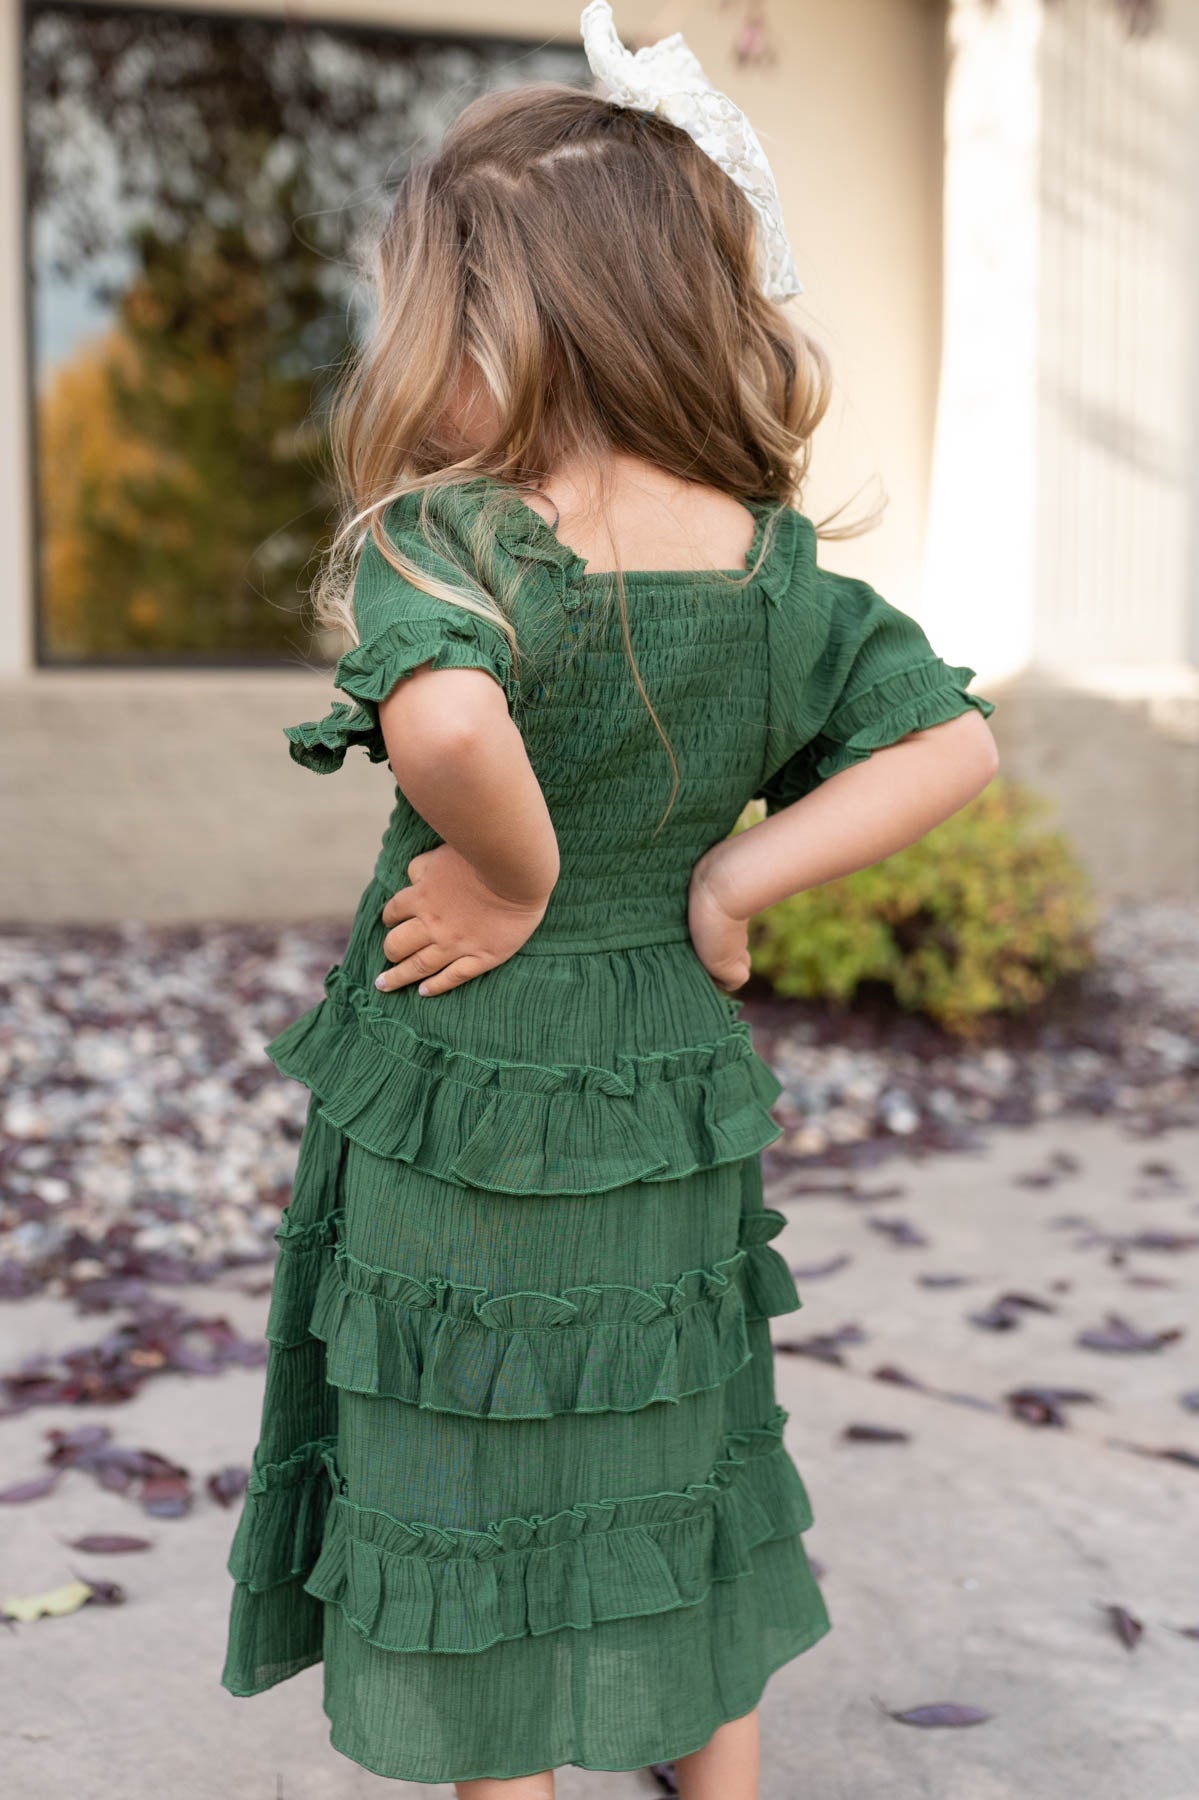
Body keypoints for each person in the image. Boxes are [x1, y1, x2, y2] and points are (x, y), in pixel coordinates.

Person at [220, 9, 998, 1796]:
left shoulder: (465, 535)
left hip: (470, 1067)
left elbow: (445, 716)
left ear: (501, 329)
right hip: (660, 1066)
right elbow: (948, 746)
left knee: (473, 1437)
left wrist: (510, 872)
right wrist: (736, 864)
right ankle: (709, 1765)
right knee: (671, 1418)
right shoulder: (764, 558)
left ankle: (517, 1770)